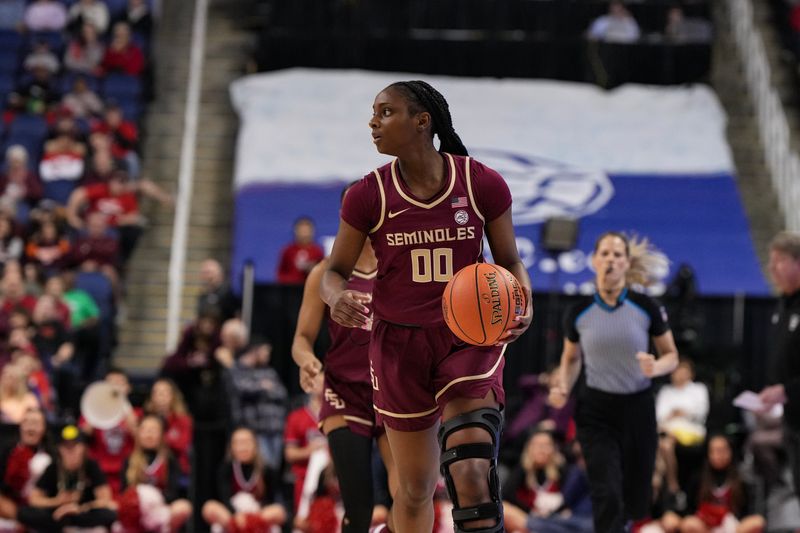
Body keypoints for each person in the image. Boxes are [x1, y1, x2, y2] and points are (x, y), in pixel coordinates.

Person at [320, 80, 532, 532]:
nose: (372, 122)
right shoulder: (368, 194)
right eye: (373, 113)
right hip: (398, 344)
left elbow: (510, 261)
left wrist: (521, 298)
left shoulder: (480, 183)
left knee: (470, 467)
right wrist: (336, 298)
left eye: (385, 112)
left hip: (469, 336)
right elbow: (332, 272)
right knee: (414, 490)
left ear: (422, 121)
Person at [549, 232, 678, 533]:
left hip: (638, 407)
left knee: (635, 499)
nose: (611, 259)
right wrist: (563, 386)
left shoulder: (646, 306)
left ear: (627, 263)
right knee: (606, 491)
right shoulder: (578, 312)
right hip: (596, 410)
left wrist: (655, 366)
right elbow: (571, 359)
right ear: (594, 261)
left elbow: (671, 355)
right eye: (605, 253)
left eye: (618, 254)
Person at [292, 183, 395, 532]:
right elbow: (301, 340)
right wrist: (308, 362)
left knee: (409, 493)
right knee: (358, 505)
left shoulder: (398, 269)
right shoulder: (325, 272)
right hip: (343, 393)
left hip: (393, 391)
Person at [759, 231, 800, 498]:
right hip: (793, 418)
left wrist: (786, 390)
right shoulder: (783, 306)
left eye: (780, 261)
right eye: (771, 261)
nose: (772, 268)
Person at [20, 424, 117, 531]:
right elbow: (34, 499)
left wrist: (80, 508)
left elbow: (105, 499)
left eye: (74, 445)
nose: (70, 451)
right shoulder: (54, 467)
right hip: (56, 512)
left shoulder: (91, 466)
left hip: (82, 513)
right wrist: (57, 501)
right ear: (59, 448)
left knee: (110, 513)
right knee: (25, 513)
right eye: (66, 446)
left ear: (83, 447)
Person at [202, 427, 287, 532]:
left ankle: (251, 527)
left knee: (279, 511)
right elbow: (224, 498)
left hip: (257, 514)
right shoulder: (225, 469)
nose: (243, 447)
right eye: (238, 443)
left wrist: (254, 517)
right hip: (233, 515)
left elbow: (270, 500)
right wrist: (235, 515)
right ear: (231, 447)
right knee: (209, 507)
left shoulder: (266, 470)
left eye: (247, 442)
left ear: (255, 445)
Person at [119, 414, 192, 532]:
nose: (149, 434)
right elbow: (124, 491)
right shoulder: (129, 460)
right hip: (135, 511)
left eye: (153, 430)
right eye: (145, 430)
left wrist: (153, 500)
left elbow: (173, 492)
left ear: (162, 435)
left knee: (183, 507)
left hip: (160, 510)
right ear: (138, 434)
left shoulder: (169, 460)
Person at [677, 435, 764, 533]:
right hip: (706, 527)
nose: (718, 455)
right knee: (688, 523)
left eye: (722, 450)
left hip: (735, 527)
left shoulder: (742, 477)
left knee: (757, 522)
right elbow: (687, 509)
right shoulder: (698, 477)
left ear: (730, 451)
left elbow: (752, 511)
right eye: (714, 450)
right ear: (708, 453)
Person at [227, 341, 287, 471]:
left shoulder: (269, 372)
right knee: (262, 466)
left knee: (274, 468)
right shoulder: (240, 370)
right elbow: (242, 388)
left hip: (275, 427)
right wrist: (263, 387)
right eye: (264, 351)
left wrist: (262, 388)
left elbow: (281, 393)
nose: (267, 355)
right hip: (256, 428)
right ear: (255, 352)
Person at [0, 407, 51, 526]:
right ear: (20, 426)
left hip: (39, 513)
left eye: (36, 423)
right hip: (7, 512)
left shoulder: (52, 456)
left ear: (44, 428)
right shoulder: (6, 452)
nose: (30, 428)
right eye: (26, 422)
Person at [142, 378, 193, 477]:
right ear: (152, 396)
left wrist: (157, 438)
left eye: (165, 392)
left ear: (173, 396)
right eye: (158, 392)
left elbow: (181, 444)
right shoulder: (144, 417)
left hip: (176, 467)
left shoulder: (183, 420)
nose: (161, 396)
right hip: (148, 464)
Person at [276, 217, 324, 285]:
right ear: (296, 231)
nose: (304, 234)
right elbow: (280, 273)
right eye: (302, 231)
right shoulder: (288, 250)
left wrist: (312, 269)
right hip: (290, 289)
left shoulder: (317, 251)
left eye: (307, 231)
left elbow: (322, 273)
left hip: (310, 287)